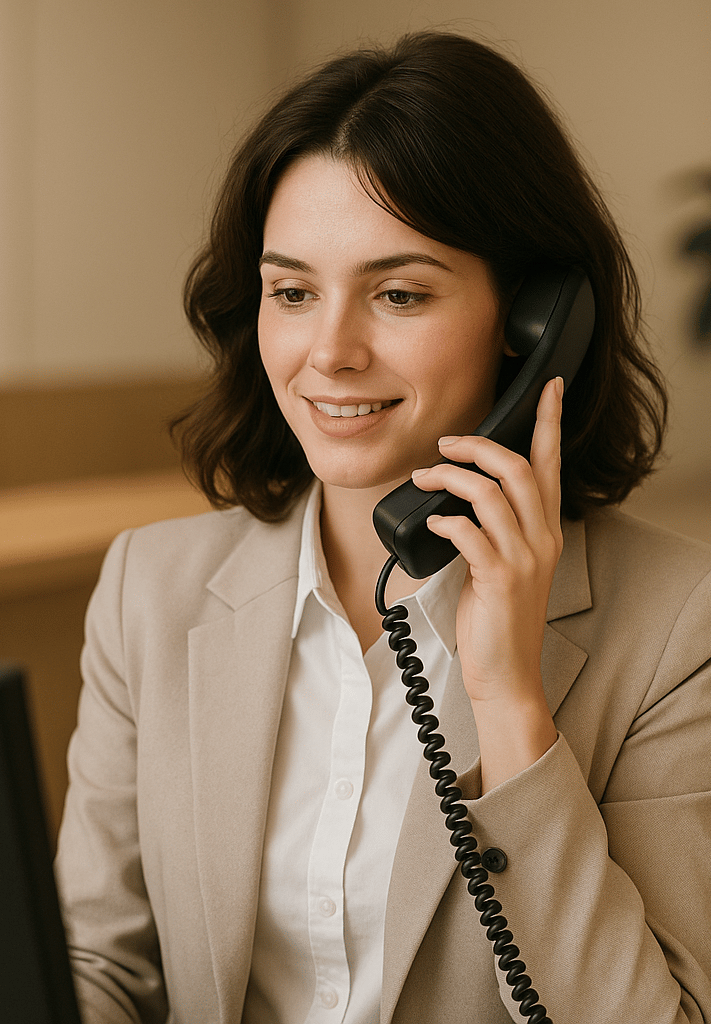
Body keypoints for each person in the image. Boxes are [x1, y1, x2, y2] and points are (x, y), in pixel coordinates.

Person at [55, 30, 711, 1024]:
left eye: (398, 293)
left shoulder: (676, 627)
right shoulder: (150, 589)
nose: (329, 351)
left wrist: (508, 701)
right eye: (292, 292)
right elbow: (100, 974)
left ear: (534, 318)